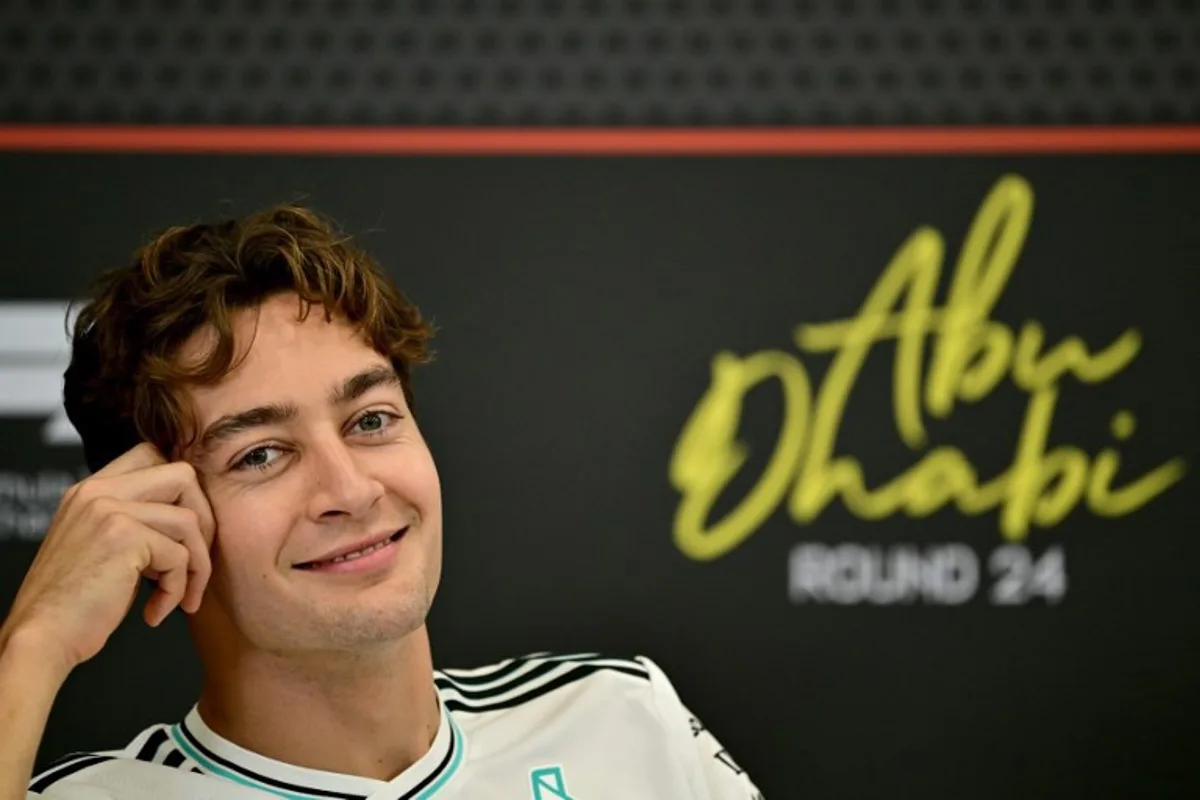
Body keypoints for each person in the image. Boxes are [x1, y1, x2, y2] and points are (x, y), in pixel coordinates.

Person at [0, 206, 764, 799]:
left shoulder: (617, 717)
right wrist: (32, 649)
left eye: (370, 421)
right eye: (260, 454)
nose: (351, 490)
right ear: (159, 521)